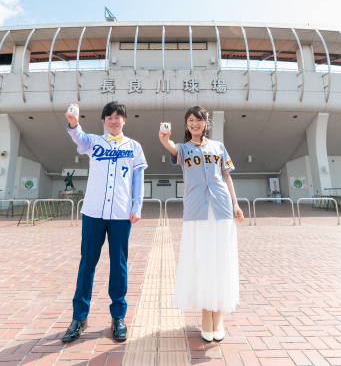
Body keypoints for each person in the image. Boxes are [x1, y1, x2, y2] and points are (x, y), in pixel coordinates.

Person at [62, 101, 147, 343]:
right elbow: (78, 136)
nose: (113, 120)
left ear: (124, 120)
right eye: (109, 117)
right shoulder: (94, 143)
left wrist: (136, 207)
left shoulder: (134, 147)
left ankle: (118, 317)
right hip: (93, 212)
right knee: (87, 263)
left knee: (118, 266)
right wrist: (73, 120)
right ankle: (79, 317)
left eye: (117, 116)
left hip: (121, 214)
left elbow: (137, 181)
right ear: (103, 121)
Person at [159, 106, 243, 342]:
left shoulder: (218, 147)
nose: (194, 124)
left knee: (220, 260)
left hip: (222, 208)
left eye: (198, 120)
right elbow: (172, 148)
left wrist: (236, 205)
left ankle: (218, 316)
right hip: (197, 210)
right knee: (202, 260)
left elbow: (226, 175)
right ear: (186, 125)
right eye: (190, 121)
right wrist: (165, 140)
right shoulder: (184, 149)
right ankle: (207, 316)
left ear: (206, 122)